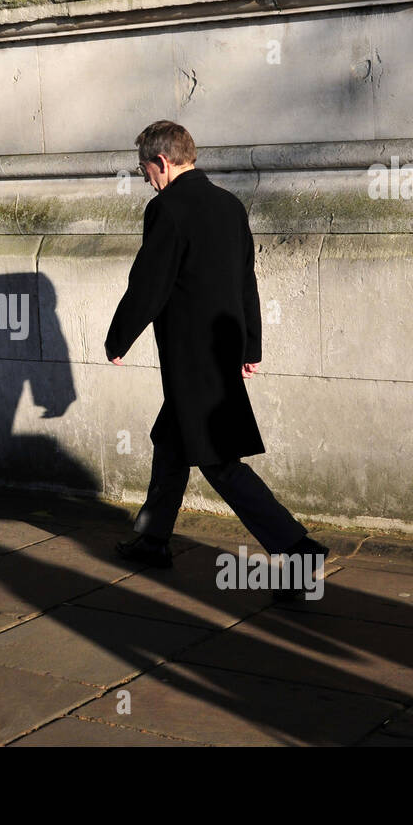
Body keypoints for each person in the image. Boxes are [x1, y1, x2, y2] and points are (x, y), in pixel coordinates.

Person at [105, 120, 327, 594]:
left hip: (192, 358)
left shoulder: (167, 208)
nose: (144, 177)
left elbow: (149, 282)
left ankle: (296, 549)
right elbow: (246, 279)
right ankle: (152, 539)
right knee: (170, 441)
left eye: (143, 167)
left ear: (161, 162)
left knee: (220, 461)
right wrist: (251, 346)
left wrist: (118, 338)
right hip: (222, 350)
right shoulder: (228, 205)